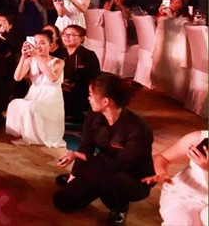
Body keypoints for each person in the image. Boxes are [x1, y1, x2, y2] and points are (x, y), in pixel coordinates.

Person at [54, 73, 153, 224]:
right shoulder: (93, 116)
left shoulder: (138, 128)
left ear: (106, 101)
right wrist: (75, 175)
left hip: (131, 177)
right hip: (101, 167)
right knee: (63, 201)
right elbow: (85, 146)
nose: (88, 98)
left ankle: (119, 208)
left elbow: (118, 163)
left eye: (91, 95)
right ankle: (88, 182)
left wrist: (80, 159)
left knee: (107, 179)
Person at [5, 31, 66, 147]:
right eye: (36, 43)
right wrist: (23, 57)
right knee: (15, 103)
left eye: (42, 43)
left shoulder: (58, 62)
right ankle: (24, 134)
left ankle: (35, 137)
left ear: (51, 46)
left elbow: (52, 78)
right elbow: (17, 78)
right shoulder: (30, 60)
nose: (38, 46)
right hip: (34, 94)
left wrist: (37, 56)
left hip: (51, 97)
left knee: (31, 107)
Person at [143, 130, 208, 226]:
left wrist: (206, 170)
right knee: (183, 222)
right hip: (185, 195)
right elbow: (163, 157)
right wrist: (161, 172)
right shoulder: (198, 138)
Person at [59, 25, 101, 123]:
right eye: (65, 34)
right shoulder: (60, 53)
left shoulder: (88, 55)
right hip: (60, 87)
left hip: (81, 91)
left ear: (81, 38)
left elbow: (95, 76)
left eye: (72, 35)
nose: (67, 37)